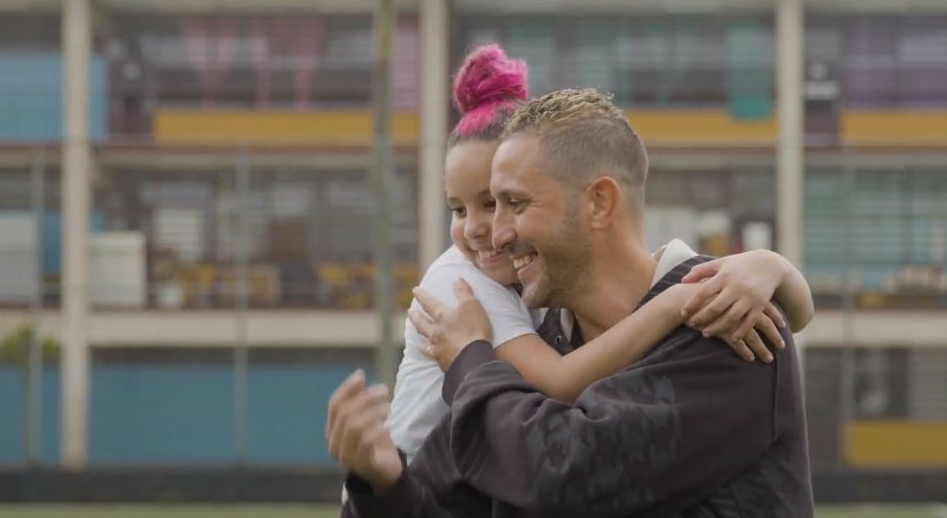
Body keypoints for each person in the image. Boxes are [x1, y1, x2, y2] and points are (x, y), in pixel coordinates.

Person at [328, 86, 814, 517]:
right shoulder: (532, 352)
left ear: (600, 203)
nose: (496, 234)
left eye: (515, 204)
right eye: (488, 206)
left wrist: (470, 364)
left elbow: (559, 474)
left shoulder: (728, 328)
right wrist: (383, 484)